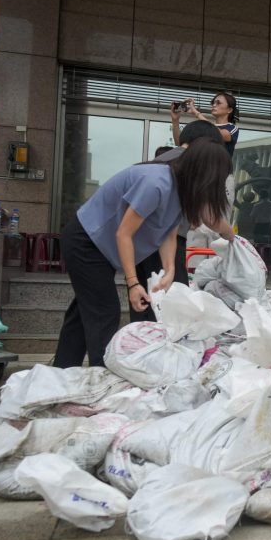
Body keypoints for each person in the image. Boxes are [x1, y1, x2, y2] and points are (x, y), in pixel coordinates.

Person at [55, 140, 235, 368]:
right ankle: (104, 377)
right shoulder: (156, 182)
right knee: (104, 311)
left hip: (101, 246)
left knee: (85, 310)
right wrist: (132, 283)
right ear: (205, 173)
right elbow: (124, 234)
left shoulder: (181, 190)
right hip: (86, 241)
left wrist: (169, 269)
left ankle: (62, 369)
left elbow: (167, 231)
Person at [130, 121, 224, 322]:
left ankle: (143, 343)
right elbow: (207, 213)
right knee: (171, 299)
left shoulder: (163, 160)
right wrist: (232, 237)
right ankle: (162, 346)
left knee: (145, 301)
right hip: (161, 240)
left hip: (141, 241)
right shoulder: (184, 162)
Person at [171, 92, 241, 157]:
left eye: (218, 103)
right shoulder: (204, 127)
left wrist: (195, 112)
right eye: (213, 103)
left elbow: (220, 134)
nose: (214, 105)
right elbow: (179, 143)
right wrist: (175, 120)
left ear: (229, 110)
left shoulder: (232, 128)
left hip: (220, 169)